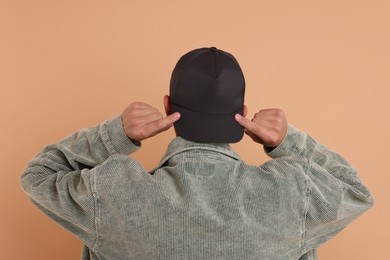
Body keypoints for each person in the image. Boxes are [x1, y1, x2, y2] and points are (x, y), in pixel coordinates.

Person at [21, 47, 373, 260]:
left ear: (167, 105)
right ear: (244, 112)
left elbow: (38, 175)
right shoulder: (293, 192)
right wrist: (288, 141)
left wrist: (116, 133)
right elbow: (356, 191)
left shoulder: (112, 192)